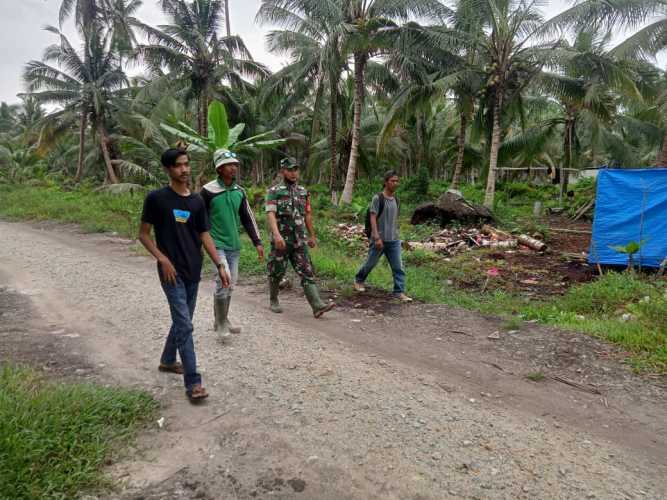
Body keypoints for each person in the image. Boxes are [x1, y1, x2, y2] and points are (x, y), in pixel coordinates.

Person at [139, 148, 230, 402]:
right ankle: (194, 383)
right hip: (171, 273)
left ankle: (168, 360)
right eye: (179, 165)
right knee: (185, 325)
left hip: (193, 270)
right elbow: (143, 234)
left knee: (183, 321)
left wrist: (220, 264)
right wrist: (162, 258)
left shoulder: (197, 201)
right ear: (168, 169)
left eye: (187, 164)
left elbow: (204, 234)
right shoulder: (156, 199)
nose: (185, 170)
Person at [201, 149, 264, 338]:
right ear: (219, 168)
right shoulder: (208, 191)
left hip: (234, 246)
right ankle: (220, 323)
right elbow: (199, 220)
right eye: (229, 164)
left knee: (231, 284)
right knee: (223, 281)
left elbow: (247, 217)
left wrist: (257, 241)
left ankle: (223, 319)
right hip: (216, 244)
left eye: (235, 164)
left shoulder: (239, 191)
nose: (234, 167)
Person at [265, 157, 335, 318]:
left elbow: (308, 215)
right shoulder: (274, 191)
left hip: (299, 240)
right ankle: (273, 299)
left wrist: (312, 236)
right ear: (283, 171)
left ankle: (317, 305)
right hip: (281, 240)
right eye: (290, 170)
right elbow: (270, 213)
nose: (293, 173)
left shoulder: (303, 192)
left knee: (306, 270)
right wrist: (276, 235)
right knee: (276, 271)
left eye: (295, 169)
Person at [354, 170, 412, 302]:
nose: (395, 183)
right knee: (370, 263)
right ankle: (359, 280)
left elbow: (395, 219)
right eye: (392, 181)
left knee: (398, 267)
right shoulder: (378, 198)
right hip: (380, 239)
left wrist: (398, 235)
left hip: (394, 240)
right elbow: (372, 218)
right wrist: (376, 237)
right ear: (386, 182)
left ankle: (399, 291)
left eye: (397, 181)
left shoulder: (396, 199)